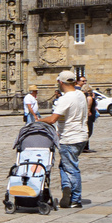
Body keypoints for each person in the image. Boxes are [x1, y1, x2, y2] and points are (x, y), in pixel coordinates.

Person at [41, 70, 89, 208]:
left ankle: (75, 198)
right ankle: (66, 187)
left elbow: (52, 119)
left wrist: (38, 120)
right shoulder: (80, 94)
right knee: (65, 165)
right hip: (82, 136)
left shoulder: (66, 99)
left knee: (71, 167)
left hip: (69, 138)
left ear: (60, 82)